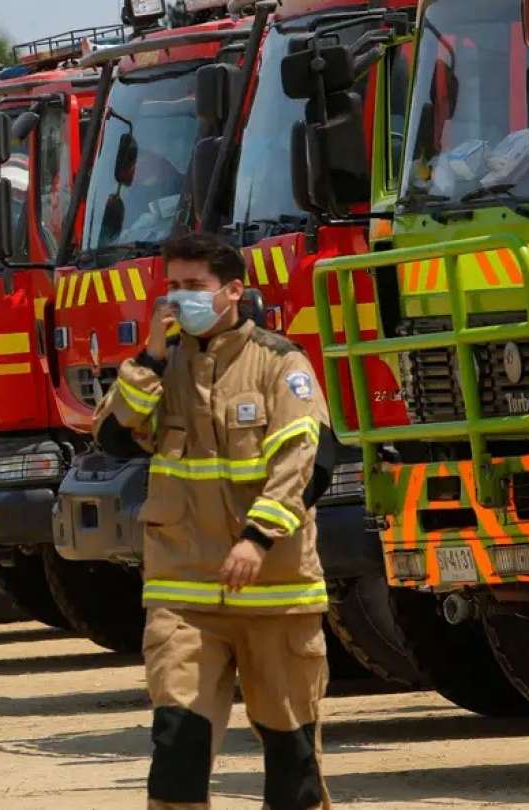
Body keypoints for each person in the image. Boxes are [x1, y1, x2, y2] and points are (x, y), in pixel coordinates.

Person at [93, 232, 335, 810]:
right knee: (177, 746)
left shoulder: (281, 363)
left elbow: (307, 463)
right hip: (184, 595)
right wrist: (149, 356)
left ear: (232, 290)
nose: (179, 300)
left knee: (291, 758)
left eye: (193, 287)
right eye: (171, 287)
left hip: (275, 593)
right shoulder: (161, 368)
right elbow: (112, 438)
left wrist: (257, 539)